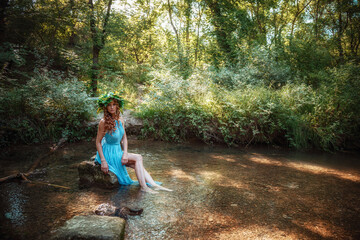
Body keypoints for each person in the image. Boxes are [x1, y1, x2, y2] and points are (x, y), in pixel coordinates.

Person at [94, 92, 172, 193]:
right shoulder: (103, 122)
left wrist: (125, 153)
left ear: (117, 106)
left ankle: (154, 185)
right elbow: (98, 142)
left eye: (114, 104)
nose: (112, 107)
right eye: (109, 105)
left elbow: (124, 138)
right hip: (109, 152)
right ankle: (144, 188)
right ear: (106, 107)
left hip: (118, 151)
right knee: (138, 157)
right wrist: (103, 161)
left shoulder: (120, 120)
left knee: (136, 164)